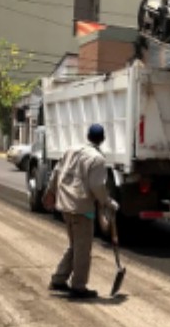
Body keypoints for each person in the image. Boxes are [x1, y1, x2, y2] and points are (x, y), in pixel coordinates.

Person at [47, 123, 117, 299]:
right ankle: (79, 287)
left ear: (88, 136)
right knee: (83, 249)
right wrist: (108, 203)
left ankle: (59, 279)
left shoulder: (71, 150)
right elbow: (97, 186)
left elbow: (56, 171)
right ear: (102, 139)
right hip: (81, 208)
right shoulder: (97, 159)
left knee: (75, 246)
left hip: (65, 205)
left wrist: (50, 192)